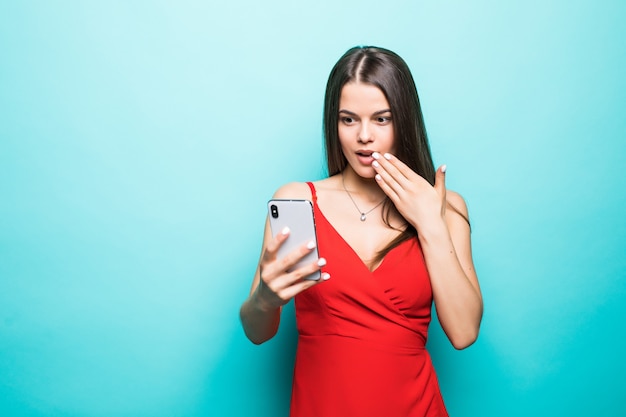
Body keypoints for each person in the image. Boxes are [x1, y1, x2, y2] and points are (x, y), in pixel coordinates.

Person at [239, 46, 483, 417]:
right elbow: (257, 331)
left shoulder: (445, 209)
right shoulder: (298, 201)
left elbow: (464, 333)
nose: (363, 136)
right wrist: (265, 299)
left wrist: (430, 223)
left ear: (404, 120)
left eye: (381, 119)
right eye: (348, 120)